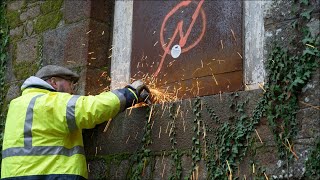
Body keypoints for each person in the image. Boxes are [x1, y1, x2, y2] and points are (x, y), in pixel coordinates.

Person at [1, 65, 150, 179]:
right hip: (52, 175)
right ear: (54, 83)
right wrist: (130, 93)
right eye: (70, 83)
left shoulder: (16, 105)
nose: (72, 90)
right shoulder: (52, 102)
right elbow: (92, 108)